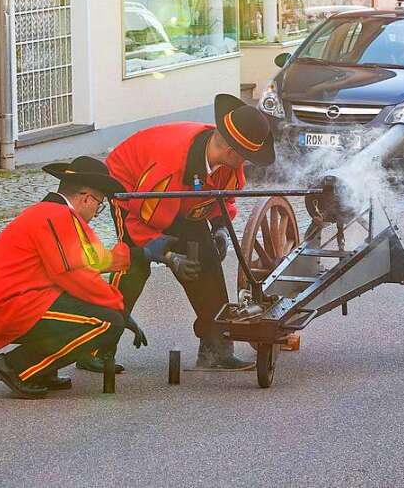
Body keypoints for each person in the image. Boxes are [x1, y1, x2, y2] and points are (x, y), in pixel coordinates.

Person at [101, 94, 275, 372]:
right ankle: (99, 347)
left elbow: (223, 198)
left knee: (205, 259)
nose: (248, 162)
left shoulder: (226, 163)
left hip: (179, 199)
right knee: (134, 265)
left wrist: (219, 227)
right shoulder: (168, 169)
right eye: (247, 157)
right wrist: (168, 255)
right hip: (132, 193)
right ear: (231, 151)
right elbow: (142, 221)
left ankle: (215, 349)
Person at [0, 156, 147, 399]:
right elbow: (74, 274)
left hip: (16, 301)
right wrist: (120, 311)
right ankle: (17, 366)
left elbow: (89, 261)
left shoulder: (52, 213)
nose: (97, 213)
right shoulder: (58, 217)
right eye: (99, 205)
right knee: (107, 322)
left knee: (102, 315)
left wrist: (136, 256)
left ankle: (43, 369)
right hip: (11, 306)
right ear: (87, 198)